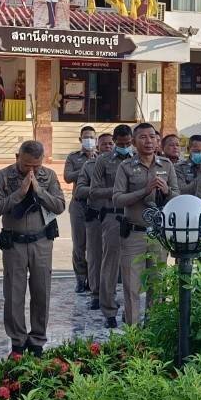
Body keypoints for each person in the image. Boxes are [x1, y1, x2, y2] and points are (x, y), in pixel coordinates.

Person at [0, 140, 66, 356]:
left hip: (41, 242)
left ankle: (38, 340)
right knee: (14, 293)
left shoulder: (49, 176)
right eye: (26, 165)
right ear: (17, 157)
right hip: (14, 243)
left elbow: (59, 206)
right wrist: (19, 194)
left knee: (42, 291)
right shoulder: (2, 176)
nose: (31, 170)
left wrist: (39, 191)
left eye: (36, 166)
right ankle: (18, 341)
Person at [114, 122, 179, 325]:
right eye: (143, 137)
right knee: (131, 287)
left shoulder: (166, 165)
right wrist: (144, 190)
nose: (149, 141)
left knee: (157, 286)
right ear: (134, 142)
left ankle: (153, 330)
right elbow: (117, 199)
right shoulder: (125, 167)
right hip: (134, 234)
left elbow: (177, 197)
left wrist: (166, 191)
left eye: (152, 137)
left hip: (158, 236)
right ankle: (132, 333)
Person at [90, 125, 131, 328]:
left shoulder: (138, 159)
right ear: (114, 141)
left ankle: (131, 311)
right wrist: (118, 191)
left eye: (128, 143)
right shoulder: (103, 160)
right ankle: (109, 311)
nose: (124, 146)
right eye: (120, 143)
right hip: (113, 216)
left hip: (134, 217)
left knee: (133, 266)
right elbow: (94, 191)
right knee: (110, 265)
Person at [81, 131, 114, 310]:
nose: (108, 146)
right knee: (95, 257)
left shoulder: (125, 164)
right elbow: (80, 190)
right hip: (96, 216)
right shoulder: (89, 166)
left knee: (113, 259)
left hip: (117, 217)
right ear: (98, 147)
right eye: (104, 144)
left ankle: (110, 295)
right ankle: (95, 294)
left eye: (111, 143)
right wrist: (99, 190)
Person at [63, 126, 97, 294]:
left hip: (96, 204)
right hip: (78, 204)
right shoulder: (73, 157)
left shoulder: (103, 157)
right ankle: (80, 278)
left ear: (96, 139)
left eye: (91, 137)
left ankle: (93, 279)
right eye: (85, 137)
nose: (88, 140)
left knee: (94, 245)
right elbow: (68, 177)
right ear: (80, 139)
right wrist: (86, 166)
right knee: (79, 245)